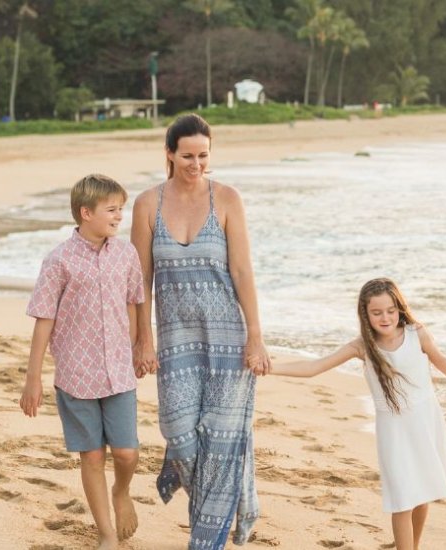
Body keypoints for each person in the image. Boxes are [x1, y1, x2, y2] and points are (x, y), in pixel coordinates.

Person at [129, 114, 271, 549]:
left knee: (221, 441)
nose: (196, 164)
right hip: (174, 342)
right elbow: (140, 281)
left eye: (204, 155)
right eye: (188, 155)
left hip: (229, 339)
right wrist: (143, 339)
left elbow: (243, 271)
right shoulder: (147, 203)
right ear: (169, 154)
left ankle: (204, 541)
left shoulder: (227, 199)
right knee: (181, 437)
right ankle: (241, 498)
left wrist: (256, 335)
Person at [271, 278, 446, 550]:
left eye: (391, 310)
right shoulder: (362, 346)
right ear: (365, 314)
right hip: (394, 430)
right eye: (377, 312)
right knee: (403, 498)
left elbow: (443, 362)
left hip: (426, 421)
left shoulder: (417, 334)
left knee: (423, 491)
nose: (385, 317)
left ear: (400, 308)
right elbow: (315, 367)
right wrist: (269, 367)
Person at [20, 174, 146, 550]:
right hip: (76, 374)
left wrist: (139, 347)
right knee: (91, 456)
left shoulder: (126, 254)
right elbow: (45, 319)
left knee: (126, 452)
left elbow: (134, 302)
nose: (119, 216)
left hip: (119, 371)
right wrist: (33, 378)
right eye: (112, 210)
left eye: (121, 209)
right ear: (85, 213)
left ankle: (121, 491)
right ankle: (106, 534)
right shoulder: (59, 260)